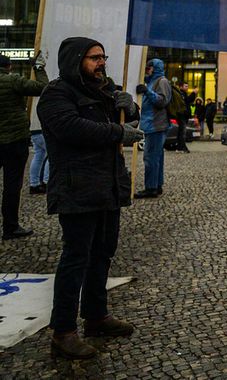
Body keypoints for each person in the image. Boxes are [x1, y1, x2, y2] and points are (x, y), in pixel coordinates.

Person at [37, 37, 142, 359]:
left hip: (108, 185)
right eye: (94, 58)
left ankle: (96, 316)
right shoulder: (56, 94)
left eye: (103, 57)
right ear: (75, 60)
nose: (102, 63)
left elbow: (123, 120)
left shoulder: (104, 90)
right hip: (77, 186)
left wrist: (129, 105)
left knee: (102, 255)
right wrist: (117, 133)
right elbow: (72, 128)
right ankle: (63, 331)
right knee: (76, 258)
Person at [0, 52, 48, 239]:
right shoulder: (13, 81)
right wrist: (38, 68)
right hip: (14, 140)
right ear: (9, 67)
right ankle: (10, 227)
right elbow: (44, 87)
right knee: (11, 186)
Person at [134, 58, 172, 199]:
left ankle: (151, 188)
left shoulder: (161, 81)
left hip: (156, 125)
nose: (147, 70)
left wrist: (147, 92)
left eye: (149, 68)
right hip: (153, 124)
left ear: (155, 68)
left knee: (150, 157)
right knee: (156, 158)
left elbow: (162, 101)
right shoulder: (152, 81)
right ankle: (157, 185)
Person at [28, 129, 49, 195]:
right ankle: (47, 182)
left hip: (33, 131)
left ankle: (34, 184)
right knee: (52, 155)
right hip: (43, 131)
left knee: (38, 156)